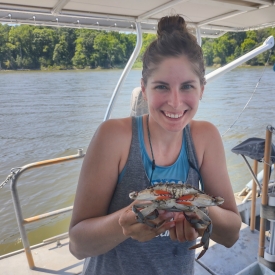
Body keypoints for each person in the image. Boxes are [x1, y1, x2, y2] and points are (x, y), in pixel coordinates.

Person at [69, 15, 242, 275]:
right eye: (161, 86)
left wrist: (197, 208)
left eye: (187, 86)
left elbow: (230, 235)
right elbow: (77, 244)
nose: (174, 102)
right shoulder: (113, 136)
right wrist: (123, 223)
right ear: (144, 89)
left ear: (202, 89)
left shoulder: (205, 138)